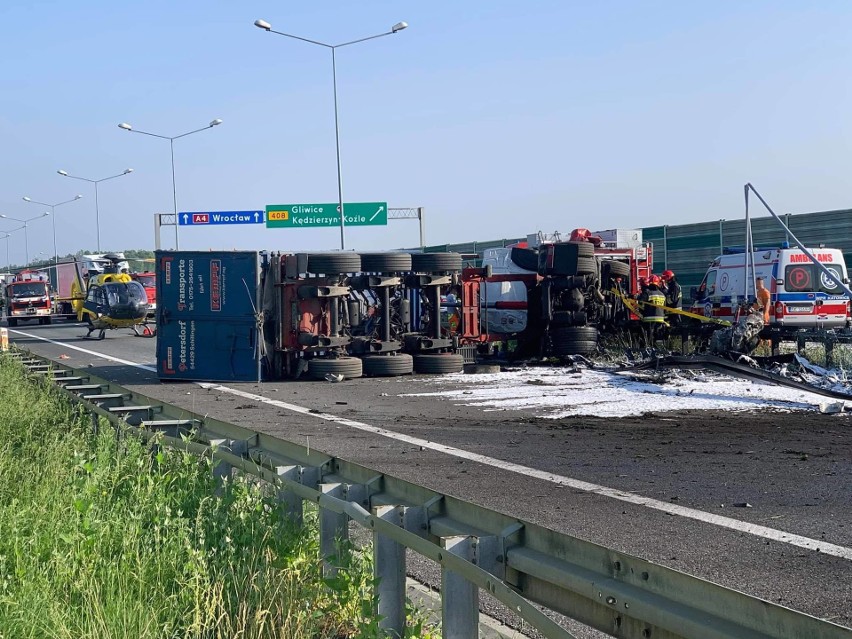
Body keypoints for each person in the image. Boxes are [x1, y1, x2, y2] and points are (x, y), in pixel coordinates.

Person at [639, 275, 667, 345]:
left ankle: (648, 350)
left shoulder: (648, 293)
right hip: (660, 320)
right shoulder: (662, 294)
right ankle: (659, 350)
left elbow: (640, 303)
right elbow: (665, 308)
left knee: (648, 337)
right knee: (658, 336)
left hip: (649, 319)